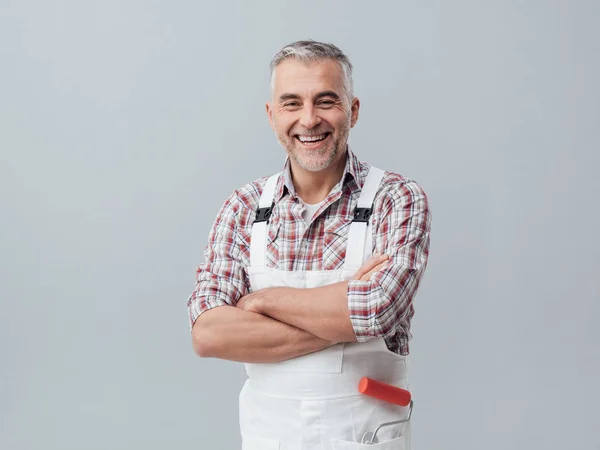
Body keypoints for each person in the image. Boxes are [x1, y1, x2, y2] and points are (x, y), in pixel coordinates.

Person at [187, 40, 431, 450]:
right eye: (291, 103)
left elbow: (376, 310)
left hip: (367, 439)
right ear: (271, 115)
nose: (309, 119)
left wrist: (262, 301)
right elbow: (209, 334)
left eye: (326, 101)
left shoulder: (397, 198)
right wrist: (344, 311)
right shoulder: (243, 207)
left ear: (352, 109)